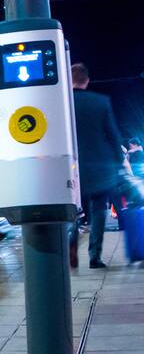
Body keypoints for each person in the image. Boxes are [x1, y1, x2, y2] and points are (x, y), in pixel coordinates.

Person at [70, 62, 127, 268]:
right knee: (99, 210)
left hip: (70, 166)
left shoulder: (62, 103)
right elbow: (113, 136)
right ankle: (95, 255)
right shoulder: (101, 102)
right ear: (87, 80)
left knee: (70, 209)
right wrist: (120, 163)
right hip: (99, 166)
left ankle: (71, 242)